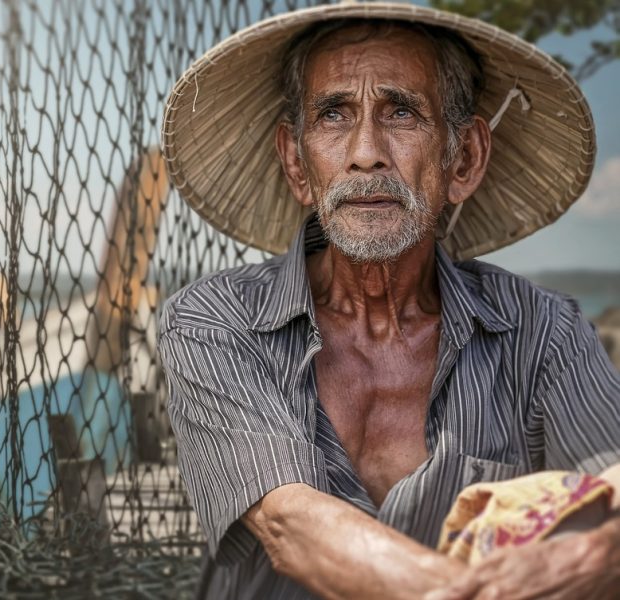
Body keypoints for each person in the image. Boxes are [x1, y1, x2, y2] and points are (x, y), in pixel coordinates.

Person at [157, 3, 620, 598]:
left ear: (464, 159)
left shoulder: (544, 331)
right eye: (334, 114)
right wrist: (471, 592)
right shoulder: (213, 323)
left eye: (401, 112)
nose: (366, 152)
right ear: (297, 163)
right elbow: (289, 525)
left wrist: (595, 555)